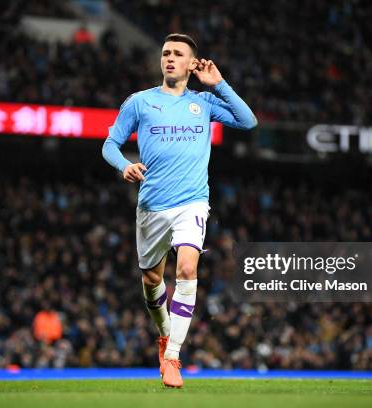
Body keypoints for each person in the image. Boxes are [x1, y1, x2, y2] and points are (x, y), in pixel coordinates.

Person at [102, 33, 257, 387]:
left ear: (191, 63)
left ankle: (173, 356)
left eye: (178, 54)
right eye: (166, 53)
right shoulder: (140, 102)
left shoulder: (203, 102)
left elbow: (248, 122)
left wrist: (220, 84)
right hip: (152, 205)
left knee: (187, 268)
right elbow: (110, 144)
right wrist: (123, 165)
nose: (170, 58)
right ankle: (164, 335)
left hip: (192, 202)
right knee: (152, 279)